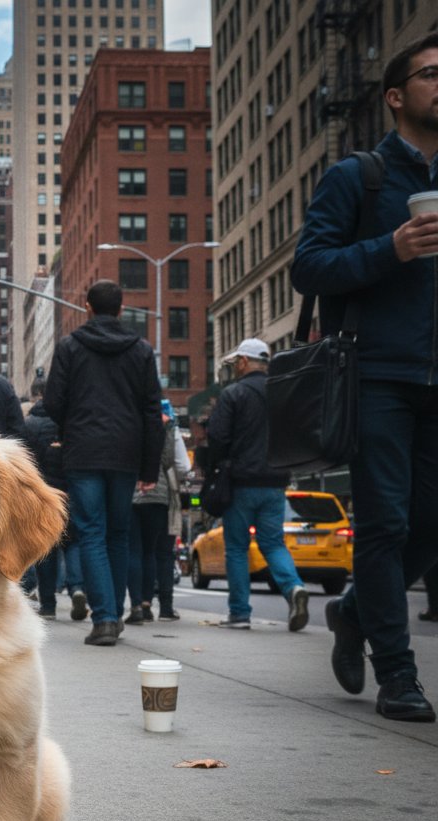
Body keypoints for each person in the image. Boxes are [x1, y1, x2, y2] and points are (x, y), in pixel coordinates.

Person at [291, 32, 438, 722]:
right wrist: (392, 248)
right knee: (384, 524)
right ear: (396, 96)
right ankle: (398, 675)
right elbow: (310, 267)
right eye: (432, 73)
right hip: (377, 374)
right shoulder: (361, 177)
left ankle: (352, 611)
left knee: (428, 526)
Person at [44, 280, 164, 647]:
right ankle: (112, 611)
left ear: (87, 308)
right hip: (126, 455)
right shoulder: (141, 350)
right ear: (122, 309)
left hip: (83, 451)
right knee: (118, 534)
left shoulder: (69, 348)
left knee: (91, 531)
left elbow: (53, 402)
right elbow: (151, 412)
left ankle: (106, 618)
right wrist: (149, 468)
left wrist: (69, 427)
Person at [205, 338, 309, 631]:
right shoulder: (282, 393)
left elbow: (219, 437)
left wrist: (217, 465)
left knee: (237, 548)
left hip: (241, 481)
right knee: (273, 543)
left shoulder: (233, 394)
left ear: (243, 363)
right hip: (276, 480)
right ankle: (294, 588)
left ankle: (239, 613)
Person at [19, 377, 86, 621]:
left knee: (46, 547)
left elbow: (24, 464)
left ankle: (48, 604)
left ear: (36, 396)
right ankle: (77, 587)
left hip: (42, 494)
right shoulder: (68, 422)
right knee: (73, 543)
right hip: (70, 491)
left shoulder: (28, 425)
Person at [126, 400, 190, 624]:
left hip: (132, 493)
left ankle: (135, 605)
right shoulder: (169, 427)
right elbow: (183, 466)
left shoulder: (130, 422)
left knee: (134, 551)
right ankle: (148, 604)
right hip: (160, 494)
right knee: (153, 551)